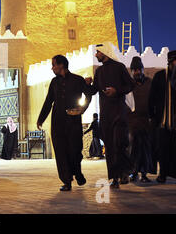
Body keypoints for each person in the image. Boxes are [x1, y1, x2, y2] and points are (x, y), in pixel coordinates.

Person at [37, 55, 91, 191]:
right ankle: (67, 181)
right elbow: (49, 101)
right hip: (57, 122)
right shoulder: (54, 82)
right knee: (61, 152)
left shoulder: (78, 80)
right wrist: (41, 119)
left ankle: (77, 173)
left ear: (61, 65)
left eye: (53, 65)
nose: (52, 68)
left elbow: (89, 95)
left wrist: (82, 109)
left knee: (74, 150)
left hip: (73, 122)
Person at [86, 43, 135, 189]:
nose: (96, 55)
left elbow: (130, 85)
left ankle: (125, 171)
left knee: (119, 143)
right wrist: (87, 84)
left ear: (105, 52)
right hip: (106, 115)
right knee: (110, 147)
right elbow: (94, 91)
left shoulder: (119, 68)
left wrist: (117, 90)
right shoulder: (99, 71)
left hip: (119, 114)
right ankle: (114, 177)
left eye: (98, 52)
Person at [149, 49, 176, 184]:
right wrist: (152, 117)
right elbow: (152, 98)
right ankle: (163, 174)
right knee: (163, 149)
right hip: (162, 121)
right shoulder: (160, 77)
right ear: (170, 62)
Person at [127, 56, 156, 182]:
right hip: (132, 122)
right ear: (132, 71)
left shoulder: (150, 83)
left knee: (145, 148)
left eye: (139, 69)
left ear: (143, 69)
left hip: (146, 121)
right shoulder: (128, 85)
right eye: (135, 70)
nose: (137, 72)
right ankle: (133, 172)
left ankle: (144, 173)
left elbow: (155, 100)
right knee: (133, 148)